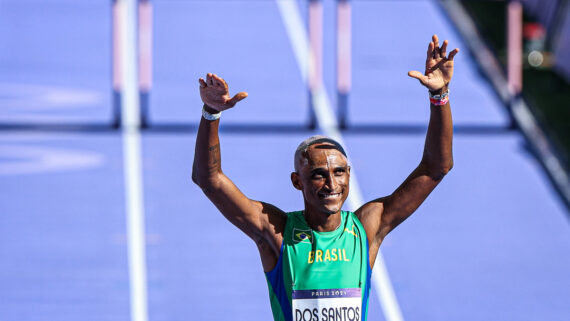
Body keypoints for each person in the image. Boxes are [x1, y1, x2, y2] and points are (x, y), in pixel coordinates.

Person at [192, 35, 459, 321]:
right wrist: (211, 114)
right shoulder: (276, 232)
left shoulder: (366, 229)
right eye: (318, 175)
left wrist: (439, 96)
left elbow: (436, 168)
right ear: (297, 181)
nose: (332, 184)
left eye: (339, 172)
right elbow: (209, 180)